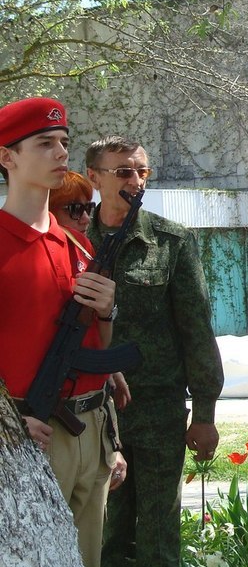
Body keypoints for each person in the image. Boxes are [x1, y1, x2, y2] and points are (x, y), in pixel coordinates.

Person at [85, 136, 224, 567]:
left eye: (142, 171)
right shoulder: (77, 240)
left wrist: (206, 412)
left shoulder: (171, 241)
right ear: (94, 176)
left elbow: (197, 329)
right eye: (121, 172)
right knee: (111, 529)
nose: (135, 182)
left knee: (159, 533)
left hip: (160, 410)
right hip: (97, 413)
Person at [0, 97, 119, 567]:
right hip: (24, 433)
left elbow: (99, 348)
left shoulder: (76, 245)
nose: (60, 151)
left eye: (63, 141)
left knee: (85, 566)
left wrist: (109, 309)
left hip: (89, 426)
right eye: (44, 144)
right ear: (7, 158)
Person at [50, 171, 133, 417]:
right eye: (74, 209)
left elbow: (93, 328)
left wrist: (107, 367)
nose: (86, 218)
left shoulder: (84, 251)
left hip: (92, 407)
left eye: (89, 207)